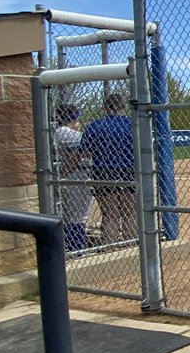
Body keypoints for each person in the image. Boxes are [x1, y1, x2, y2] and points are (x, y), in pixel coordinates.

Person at [81, 92, 137, 244]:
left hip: (103, 170)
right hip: (129, 170)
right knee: (129, 213)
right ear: (123, 107)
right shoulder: (133, 124)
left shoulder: (95, 125)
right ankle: (129, 246)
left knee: (110, 214)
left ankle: (110, 249)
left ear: (105, 107)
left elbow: (85, 152)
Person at [54, 104, 93, 252]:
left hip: (73, 176)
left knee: (73, 216)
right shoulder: (65, 131)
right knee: (76, 217)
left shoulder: (59, 131)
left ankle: (73, 248)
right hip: (74, 176)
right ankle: (75, 250)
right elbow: (85, 150)